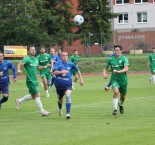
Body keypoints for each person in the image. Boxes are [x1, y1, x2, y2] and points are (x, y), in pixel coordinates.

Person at [16, 46, 51, 116]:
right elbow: (19, 64)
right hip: (30, 80)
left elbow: (38, 67)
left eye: (34, 50)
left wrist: (45, 66)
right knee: (37, 95)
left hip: (34, 80)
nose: (33, 51)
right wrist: (18, 69)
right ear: (29, 51)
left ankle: (19, 100)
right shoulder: (27, 58)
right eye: (31, 50)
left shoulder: (36, 59)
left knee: (33, 96)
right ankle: (42, 111)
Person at [52, 51, 84, 119]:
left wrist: (81, 79)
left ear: (68, 56)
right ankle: (60, 109)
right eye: (63, 55)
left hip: (68, 84)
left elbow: (78, 70)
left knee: (68, 96)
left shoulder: (71, 64)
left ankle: (68, 113)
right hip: (59, 85)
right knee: (60, 99)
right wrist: (61, 72)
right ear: (61, 56)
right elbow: (54, 72)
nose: (65, 57)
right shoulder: (58, 63)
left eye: (66, 55)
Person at [103, 45, 129, 116]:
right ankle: (115, 109)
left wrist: (118, 71)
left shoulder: (124, 59)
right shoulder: (111, 59)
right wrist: (104, 73)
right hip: (114, 79)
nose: (116, 51)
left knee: (123, 97)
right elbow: (105, 67)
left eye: (118, 50)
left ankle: (120, 105)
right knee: (116, 92)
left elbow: (126, 69)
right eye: (115, 50)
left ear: (121, 51)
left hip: (123, 80)